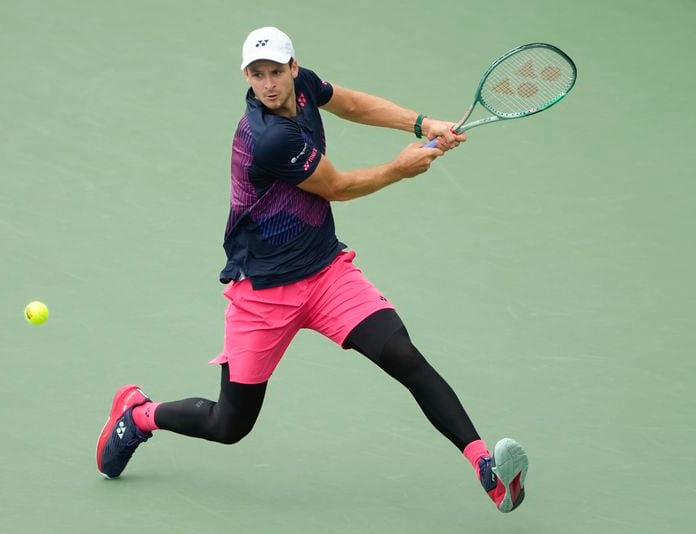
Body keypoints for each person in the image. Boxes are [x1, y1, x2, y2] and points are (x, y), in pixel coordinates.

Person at [96, 26, 529, 513]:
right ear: (247, 77)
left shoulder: (304, 90)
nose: (269, 84)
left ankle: (486, 469)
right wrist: (400, 168)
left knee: (404, 355)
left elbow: (352, 105)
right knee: (229, 425)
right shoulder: (268, 138)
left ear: (293, 67)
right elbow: (337, 187)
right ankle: (139, 415)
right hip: (264, 291)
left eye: (276, 71)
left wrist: (421, 123)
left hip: (326, 274)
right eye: (257, 75)